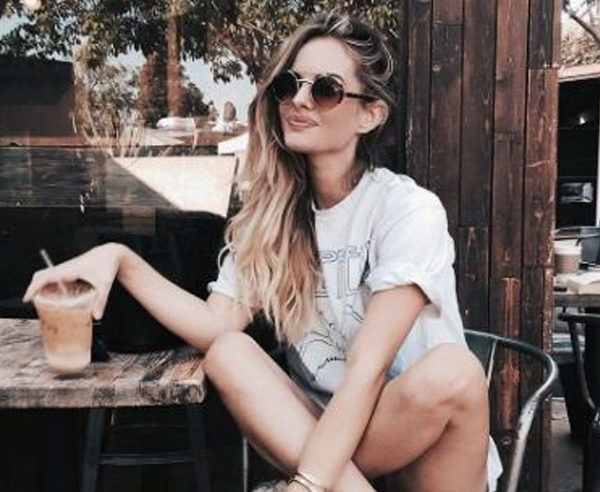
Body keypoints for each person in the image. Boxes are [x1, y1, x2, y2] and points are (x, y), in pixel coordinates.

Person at [24, 12, 503, 492]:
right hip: (323, 444)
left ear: (369, 114)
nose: (299, 99)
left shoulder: (406, 209)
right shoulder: (273, 217)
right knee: (228, 352)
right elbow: (214, 326)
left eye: (326, 89)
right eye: (290, 84)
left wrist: (307, 484)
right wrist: (119, 259)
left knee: (453, 370)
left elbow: (367, 368)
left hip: (420, 445)